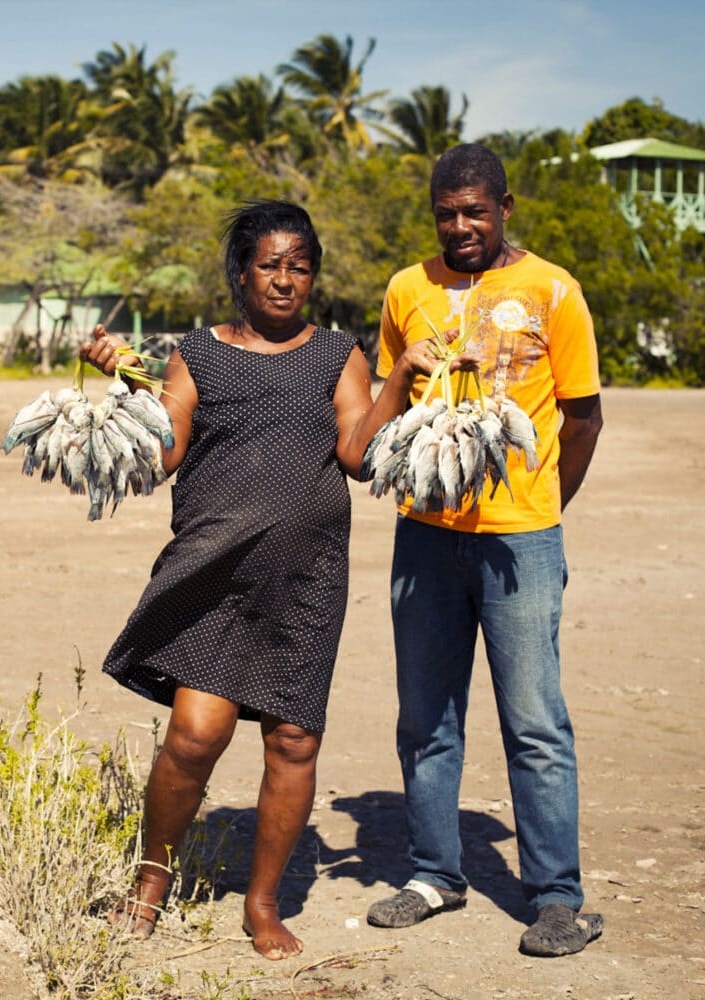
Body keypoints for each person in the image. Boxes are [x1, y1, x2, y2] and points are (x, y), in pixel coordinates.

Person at [81, 200, 452, 961]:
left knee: (292, 739)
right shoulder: (199, 353)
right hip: (214, 573)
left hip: (306, 578)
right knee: (194, 736)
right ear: (242, 272)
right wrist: (126, 385)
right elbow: (164, 454)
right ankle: (149, 883)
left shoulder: (337, 353)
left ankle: (262, 904)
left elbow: (356, 451)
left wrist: (400, 378)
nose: (286, 280)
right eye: (270, 265)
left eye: (300, 266)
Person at [365, 143, 605, 957]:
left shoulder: (553, 290)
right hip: (424, 538)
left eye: (475, 210)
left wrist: (541, 508)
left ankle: (555, 897)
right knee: (426, 716)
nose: (460, 226)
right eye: (446, 213)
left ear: (507, 206)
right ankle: (435, 873)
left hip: (520, 543)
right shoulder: (407, 289)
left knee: (534, 722)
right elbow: (386, 402)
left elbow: (584, 418)